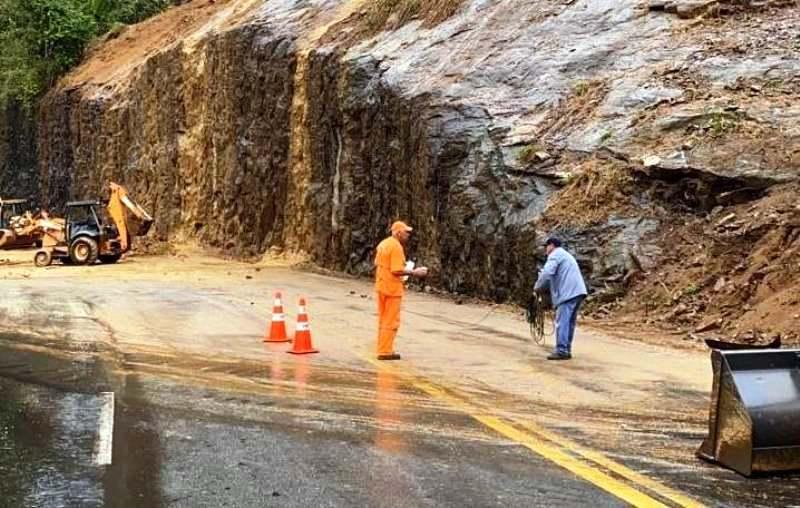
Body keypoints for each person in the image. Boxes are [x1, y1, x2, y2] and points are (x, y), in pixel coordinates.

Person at [374, 221, 428, 360]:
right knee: (391, 321)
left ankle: (381, 347)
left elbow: (378, 264)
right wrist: (415, 272)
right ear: (398, 232)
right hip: (392, 289)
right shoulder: (396, 247)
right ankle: (385, 351)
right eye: (406, 232)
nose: (408, 235)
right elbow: (396, 269)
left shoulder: (383, 244)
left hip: (381, 286)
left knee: (383, 319)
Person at [534, 237, 587, 360]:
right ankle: (566, 348)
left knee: (562, 321)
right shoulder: (565, 255)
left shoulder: (555, 255)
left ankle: (562, 350)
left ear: (551, 245)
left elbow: (546, 273)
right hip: (577, 292)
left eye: (546, 247)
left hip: (567, 293)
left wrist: (537, 288)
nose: (545, 250)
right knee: (569, 322)